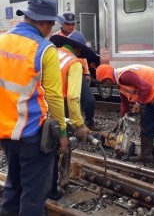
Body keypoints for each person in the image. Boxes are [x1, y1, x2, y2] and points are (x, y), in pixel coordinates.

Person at [0, 0, 68, 216]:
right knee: (33, 195)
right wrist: (61, 132)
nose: (52, 28)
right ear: (43, 22)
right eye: (52, 23)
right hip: (31, 131)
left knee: (14, 185)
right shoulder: (45, 49)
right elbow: (53, 96)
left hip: (4, 129)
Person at [96, 64, 154, 171]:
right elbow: (124, 102)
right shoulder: (120, 82)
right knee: (147, 124)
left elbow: (146, 87)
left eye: (104, 81)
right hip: (151, 94)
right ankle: (146, 156)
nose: (106, 84)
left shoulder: (124, 76)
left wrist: (138, 103)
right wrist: (123, 117)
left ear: (107, 76)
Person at [48, 31, 98, 200]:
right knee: (62, 144)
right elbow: (73, 96)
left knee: (44, 145)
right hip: (58, 105)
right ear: (78, 49)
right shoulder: (74, 63)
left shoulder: (52, 52)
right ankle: (59, 184)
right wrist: (79, 124)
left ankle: (44, 183)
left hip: (40, 104)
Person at [52, 11, 101, 131]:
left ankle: (88, 122)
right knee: (67, 103)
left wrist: (87, 72)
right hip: (62, 75)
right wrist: (79, 124)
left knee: (89, 100)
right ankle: (72, 128)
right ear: (62, 24)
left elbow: (81, 57)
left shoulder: (78, 37)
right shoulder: (56, 39)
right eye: (68, 24)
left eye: (73, 24)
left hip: (76, 71)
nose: (71, 26)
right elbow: (73, 97)